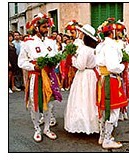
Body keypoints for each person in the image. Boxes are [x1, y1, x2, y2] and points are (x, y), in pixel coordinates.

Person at [18, 13, 62, 142]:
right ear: (37, 28)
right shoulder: (27, 43)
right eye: (44, 27)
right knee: (35, 104)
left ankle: (47, 129)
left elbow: (56, 57)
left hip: (50, 76)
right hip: (36, 78)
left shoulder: (51, 42)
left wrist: (55, 62)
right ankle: (37, 129)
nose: (47, 29)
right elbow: (21, 62)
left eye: (48, 27)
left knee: (49, 105)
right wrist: (34, 67)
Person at [96, 18, 128, 149]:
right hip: (111, 79)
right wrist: (123, 67)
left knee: (104, 110)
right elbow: (113, 66)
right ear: (112, 32)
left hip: (102, 79)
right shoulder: (111, 46)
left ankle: (103, 136)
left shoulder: (101, 45)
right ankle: (107, 139)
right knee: (113, 110)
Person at [64, 24, 99, 135]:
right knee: (91, 99)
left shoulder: (84, 49)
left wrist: (73, 57)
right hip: (92, 75)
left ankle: (82, 124)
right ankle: (93, 124)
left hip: (83, 75)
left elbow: (80, 66)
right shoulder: (94, 49)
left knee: (82, 98)